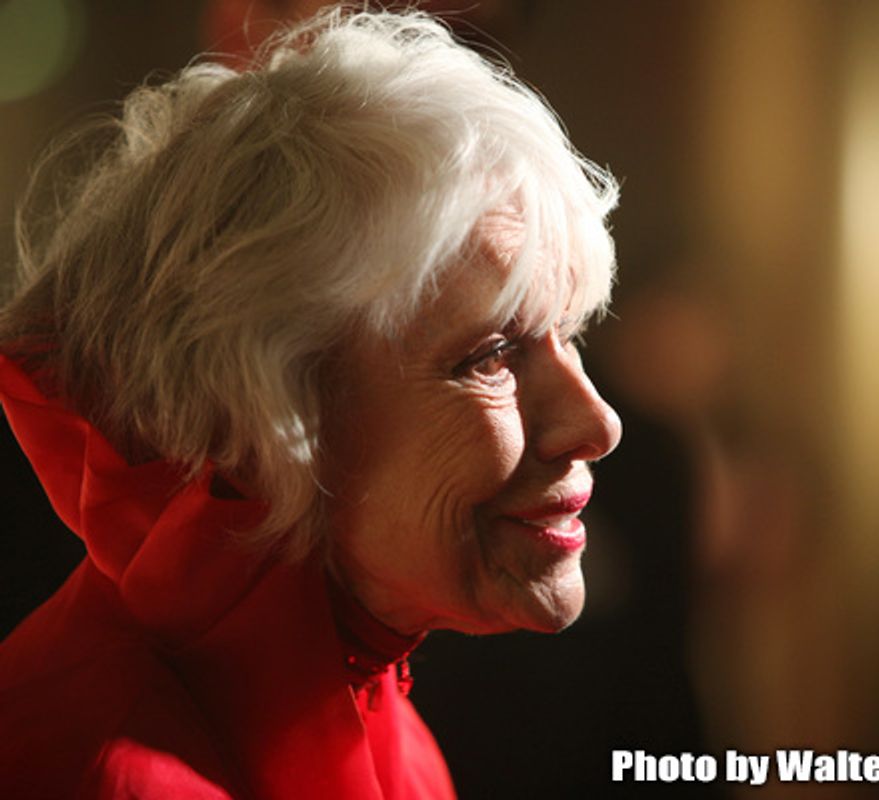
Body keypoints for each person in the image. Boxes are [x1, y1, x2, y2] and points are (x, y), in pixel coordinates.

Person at [0, 9, 621, 799]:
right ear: (264, 416)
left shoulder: (383, 721)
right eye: (493, 356)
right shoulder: (101, 774)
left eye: (567, 333)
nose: (598, 424)